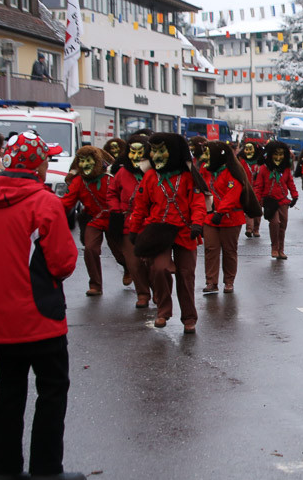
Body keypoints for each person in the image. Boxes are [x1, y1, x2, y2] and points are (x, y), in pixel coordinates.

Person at [0, 131, 86, 480]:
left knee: (9, 392)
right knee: (51, 389)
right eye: (45, 158)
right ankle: (46, 469)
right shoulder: (44, 203)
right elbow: (63, 262)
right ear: (37, 164)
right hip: (39, 313)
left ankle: (3, 473)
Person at [127, 134, 207, 334]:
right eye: (153, 150)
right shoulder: (150, 176)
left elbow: (198, 203)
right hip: (158, 231)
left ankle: (189, 317)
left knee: (186, 274)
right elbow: (140, 206)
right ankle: (163, 310)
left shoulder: (189, 176)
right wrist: (134, 230)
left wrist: (197, 223)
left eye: (161, 150)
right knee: (159, 269)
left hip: (184, 231)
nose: (156, 155)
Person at [201, 141, 260, 293]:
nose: (205, 157)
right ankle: (211, 282)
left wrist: (220, 212)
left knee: (229, 251)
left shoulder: (232, 171)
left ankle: (229, 281)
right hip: (210, 218)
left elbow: (232, 194)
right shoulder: (205, 170)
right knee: (211, 249)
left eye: (208, 153)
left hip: (230, 218)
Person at [59, 147, 113, 297]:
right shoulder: (79, 181)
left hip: (114, 219)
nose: (85, 165)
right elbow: (66, 203)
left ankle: (129, 271)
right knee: (90, 248)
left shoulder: (110, 178)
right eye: (81, 161)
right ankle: (95, 284)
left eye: (88, 161)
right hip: (93, 219)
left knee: (122, 252)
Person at [108, 135, 152, 309]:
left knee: (151, 262)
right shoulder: (121, 173)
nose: (135, 157)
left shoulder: (153, 171)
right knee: (133, 262)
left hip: (150, 224)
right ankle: (142, 293)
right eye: (132, 152)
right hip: (128, 224)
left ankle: (158, 291)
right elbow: (111, 193)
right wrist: (116, 209)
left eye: (139, 153)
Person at [255, 140, 298, 260]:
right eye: (275, 154)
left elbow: (290, 182)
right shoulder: (263, 169)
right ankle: (274, 247)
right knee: (275, 223)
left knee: (283, 225)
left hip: (283, 201)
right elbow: (258, 186)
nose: (278, 157)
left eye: (281, 154)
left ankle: (281, 249)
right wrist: (258, 201)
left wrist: (295, 196)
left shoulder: (286, 169)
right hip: (269, 201)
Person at [238, 140, 264, 237]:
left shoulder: (260, 162)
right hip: (247, 188)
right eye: (247, 149)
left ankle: (256, 229)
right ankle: (249, 228)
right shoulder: (242, 161)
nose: (248, 152)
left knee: (258, 210)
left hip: (258, 189)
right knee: (248, 209)